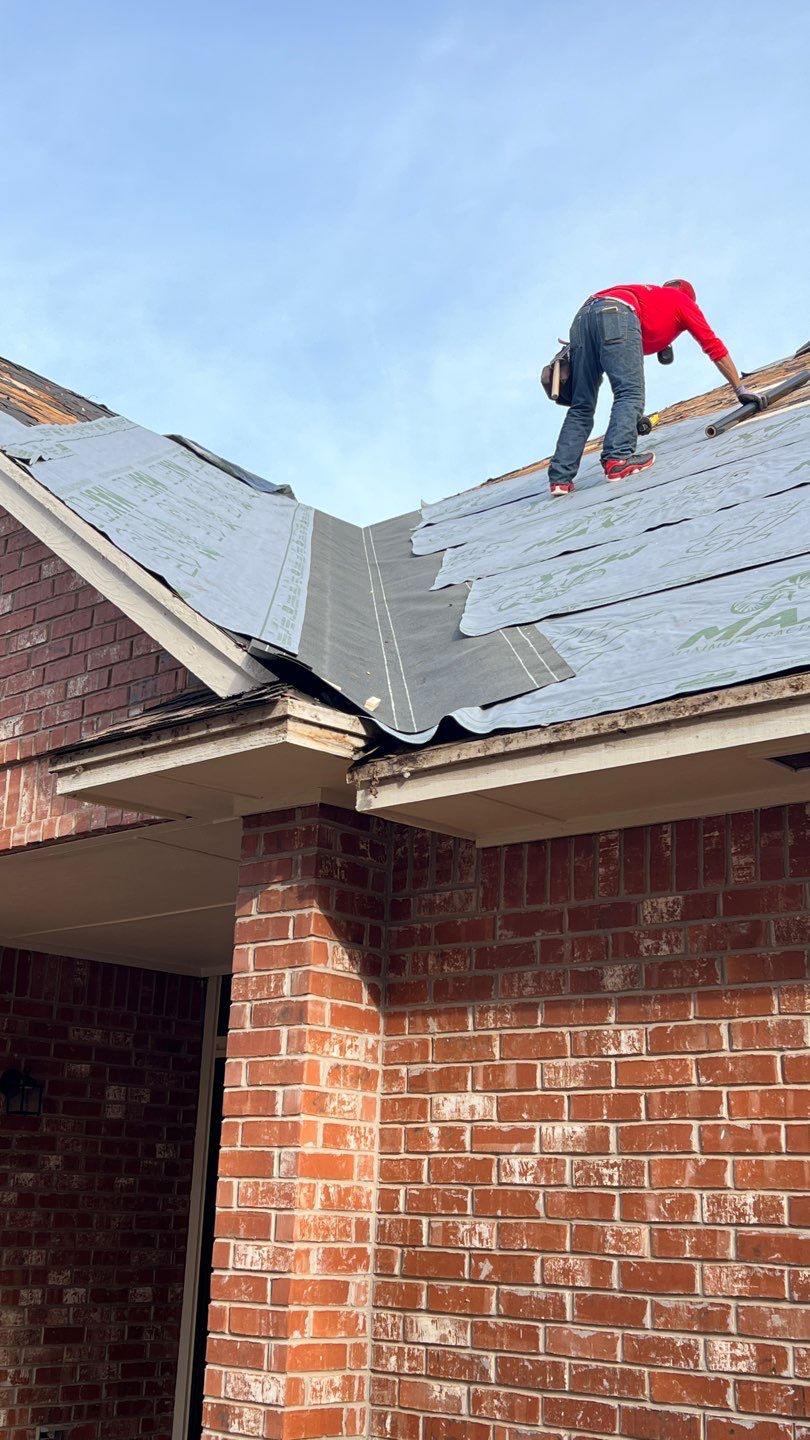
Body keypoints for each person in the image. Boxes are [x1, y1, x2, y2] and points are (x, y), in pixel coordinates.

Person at [546, 280, 763, 496]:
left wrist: (631, 420)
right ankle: (617, 459)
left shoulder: (651, 298)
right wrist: (739, 388)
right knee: (629, 392)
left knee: (582, 405)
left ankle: (560, 479)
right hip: (615, 313)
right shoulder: (681, 300)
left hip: (582, 319)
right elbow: (712, 344)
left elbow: (620, 354)